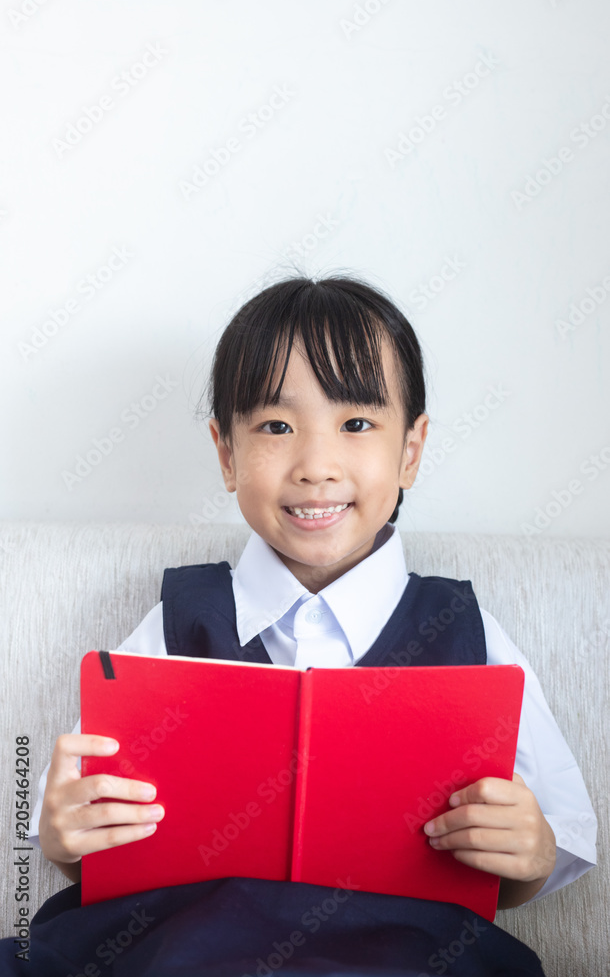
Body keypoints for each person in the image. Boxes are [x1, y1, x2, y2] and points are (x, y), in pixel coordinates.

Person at [4, 275, 596, 975]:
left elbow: (553, 843)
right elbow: (78, 824)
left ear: (410, 450)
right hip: (189, 948)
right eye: (277, 427)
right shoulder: (177, 625)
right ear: (227, 453)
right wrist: (67, 838)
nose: (316, 467)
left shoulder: (467, 636)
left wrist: (529, 855)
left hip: (403, 955)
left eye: (356, 424)